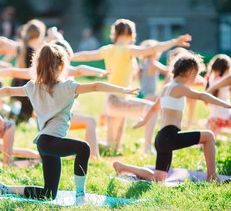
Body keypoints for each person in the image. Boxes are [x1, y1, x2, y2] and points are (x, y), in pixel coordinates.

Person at [0, 43, 138, 205]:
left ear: (38, 65)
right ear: (62, 66)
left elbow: (6, 90)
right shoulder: (67, 86)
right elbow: (95, 86)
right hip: (50, 141)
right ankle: (80, 196)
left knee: (48, 194)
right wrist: (122, 90)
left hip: (45, 143)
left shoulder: (33, 87)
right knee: (84, 148)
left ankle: (3, 189)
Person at [71, 18, 192, 153]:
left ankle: (84, 146)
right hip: (119, 102)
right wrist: (174, 42)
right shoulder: (128, 50)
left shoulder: (108, 49)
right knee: (151, 109)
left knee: (112, 147)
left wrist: (68, 56)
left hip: (112, 101)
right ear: (131, 35)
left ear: (114, 34)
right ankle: (147, 148)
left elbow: (86, 55)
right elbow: (153, 49)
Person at [113, 53, 231, 183]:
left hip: (161, 138)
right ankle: (212, 176)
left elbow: (154, 108)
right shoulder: (179, 87)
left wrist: (143, 122)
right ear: (191, 72)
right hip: (170, 136)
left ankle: (123, 167)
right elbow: (201, 96)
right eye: (196, 75)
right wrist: (225, 104)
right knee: (208, 136)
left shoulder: (166, 87)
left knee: (158, 178)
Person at [205, 54, 231, 137]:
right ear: (226, 69)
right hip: (226, 117)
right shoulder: (225, 82)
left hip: (213, 118)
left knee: (209, 139)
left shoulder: (208, 81)